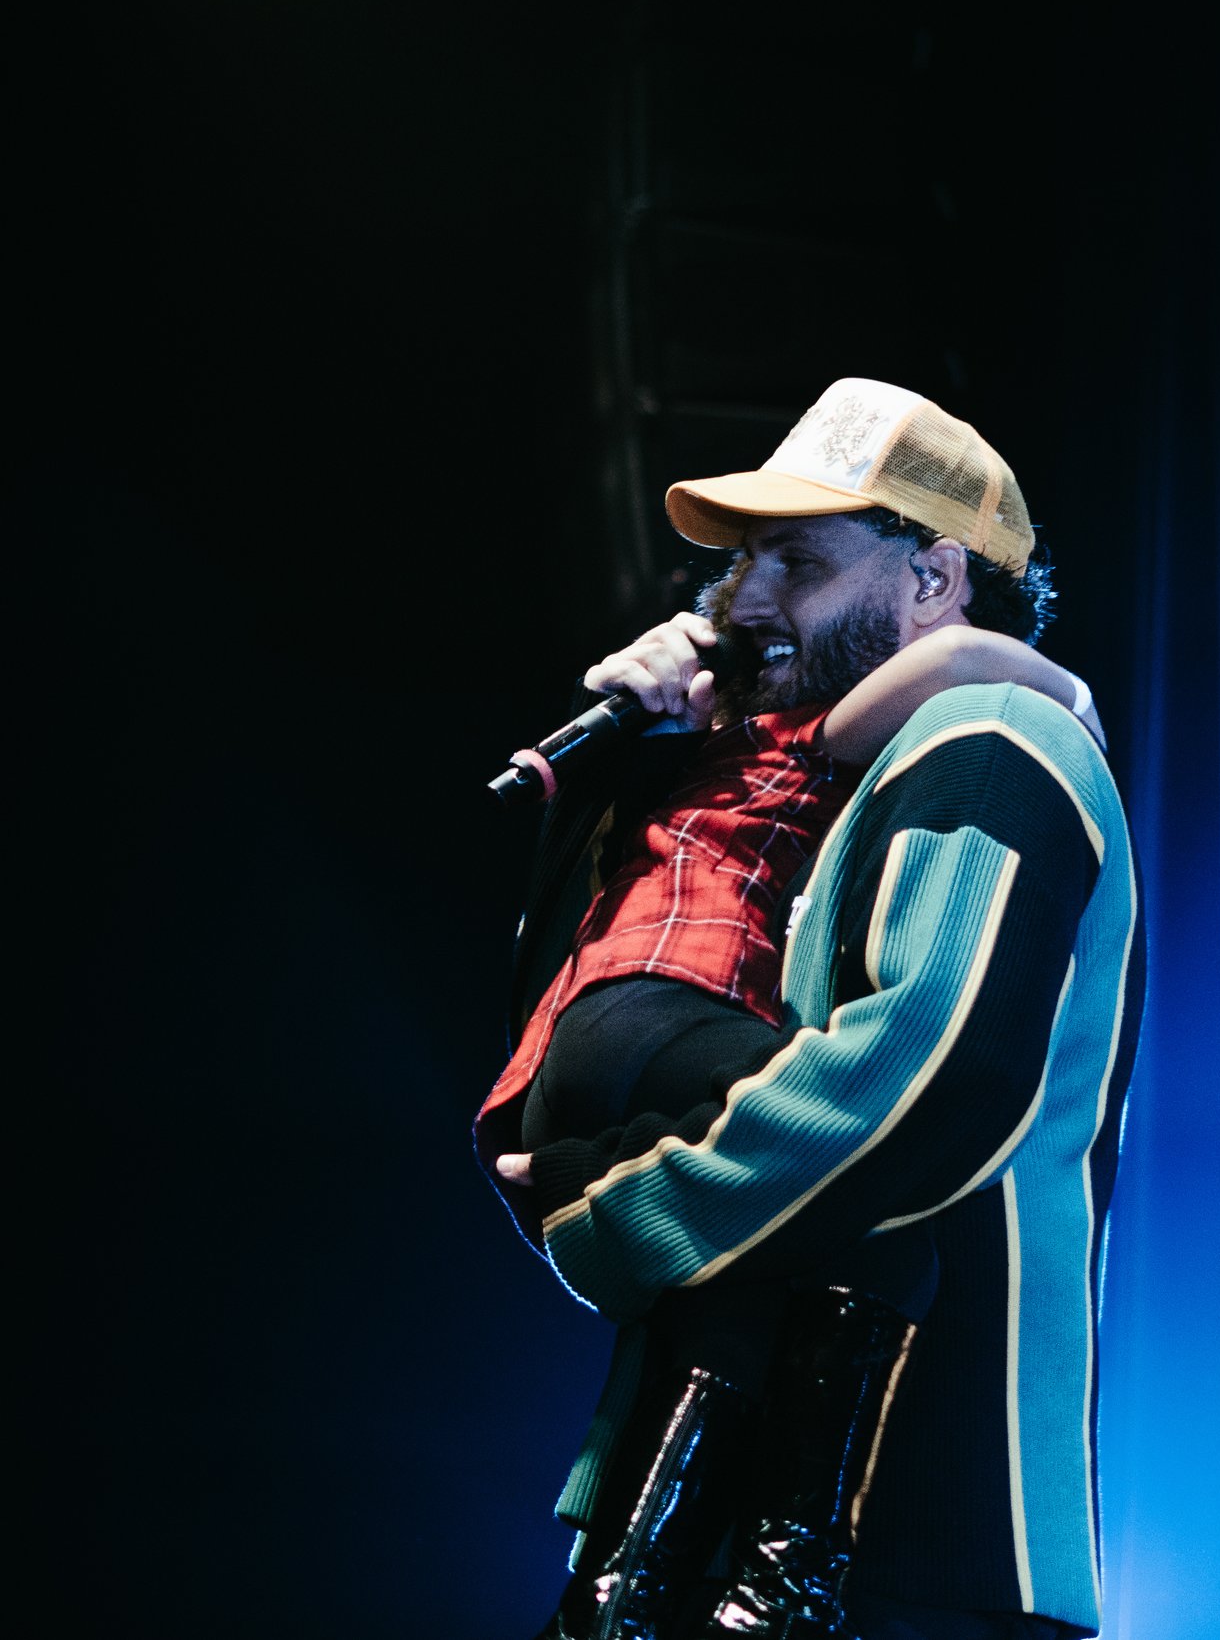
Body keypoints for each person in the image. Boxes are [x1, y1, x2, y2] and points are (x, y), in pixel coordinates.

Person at [485, 379, 1146, 1640]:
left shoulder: (994, 734)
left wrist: (615, 1206)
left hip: (915, 1533)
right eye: (741, 564)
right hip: (746, 1522)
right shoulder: (823, 785)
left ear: (934, 577)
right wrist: (648, 762)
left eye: (798, 559)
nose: (748, 598)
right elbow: (583, 1011)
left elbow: (922, 1080)